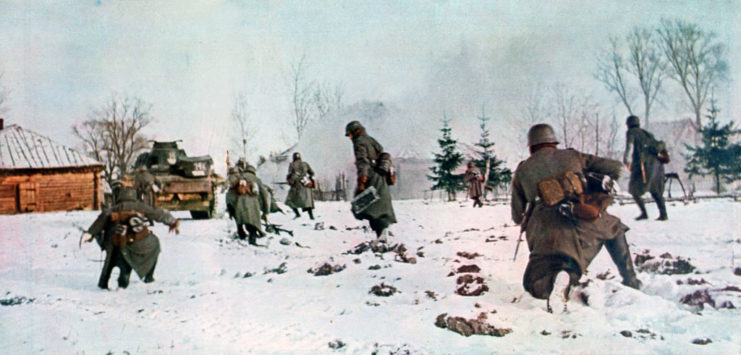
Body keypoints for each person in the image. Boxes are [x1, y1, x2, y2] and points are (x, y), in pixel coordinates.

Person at [511, 123, 641, 312]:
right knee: (614, 227)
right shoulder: (573, 156)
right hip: (582, 220)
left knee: (534, 283)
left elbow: (516, 216)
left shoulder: (522, 170)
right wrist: (589, 181)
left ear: (531, 147)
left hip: (543, 235)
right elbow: (616, 168)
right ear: (554, 143)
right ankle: (630, 280)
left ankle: (557, 282)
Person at [80, 187, 179, 290]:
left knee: (112, 262)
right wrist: (172, 222)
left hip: (114, 244)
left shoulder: (112, 209)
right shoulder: (141, 206)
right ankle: (148, 276)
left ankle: (105, 283)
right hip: (137, 243)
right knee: (155, 244)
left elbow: (99, 223)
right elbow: (159, 214)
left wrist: (90, 234)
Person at [345, 120, 396, 241]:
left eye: (350, 134)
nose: (350, 138)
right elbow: (381, 152)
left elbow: (362, 162)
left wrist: (362, 181)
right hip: (380, 177)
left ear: (355, 132)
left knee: (367, 207)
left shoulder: (359, 142)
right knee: (379, 206)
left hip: (370, 176)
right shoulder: (371, 139)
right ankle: (383, 233)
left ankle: (382, 233)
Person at [623, 115, 668, 221]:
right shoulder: (647, 134)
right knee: (656, 191)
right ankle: (664, 214)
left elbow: (629, 147)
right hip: (657, 166)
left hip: (643, 166)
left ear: (628, 124)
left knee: (634, 190)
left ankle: (644, 213)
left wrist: (626, 161)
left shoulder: (631, 132)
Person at [226, 162, 270, 245]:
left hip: (239, 203)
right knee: (254, 220)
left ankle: (242, 233)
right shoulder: (256, 179)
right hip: (252, 203)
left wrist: (230, 208)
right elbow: (265, 195)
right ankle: (252, 239)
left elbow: (230, 194)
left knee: (243, 219)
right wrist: (266, 211)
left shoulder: (239, 178)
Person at [285, 152, 316, 220]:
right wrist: (308, 179)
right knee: (307, 202)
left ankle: (297, 214)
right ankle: (311, 217)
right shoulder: (305, 164)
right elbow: (312, 173)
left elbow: (289, 175)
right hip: (306, 185)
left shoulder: (292, 164)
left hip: (296, 186)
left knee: (289, 200)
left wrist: (289, 180)